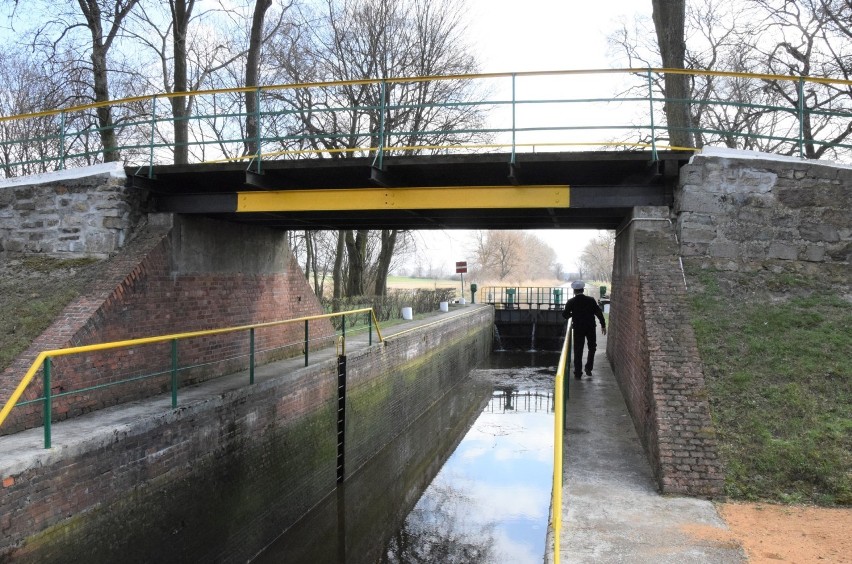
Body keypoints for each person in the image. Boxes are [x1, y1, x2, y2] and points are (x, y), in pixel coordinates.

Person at [561, 280, 606, 379]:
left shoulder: (571, 302)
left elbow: (564, 315)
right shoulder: (591, 300)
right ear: (583, 290)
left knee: (578, 350)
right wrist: (603, 325)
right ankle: (588, 368)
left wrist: (573, 315)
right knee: (592, 348)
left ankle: (578, 373)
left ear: (574, 291)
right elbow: (598, 313)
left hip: (578, 328)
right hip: (590, 327)